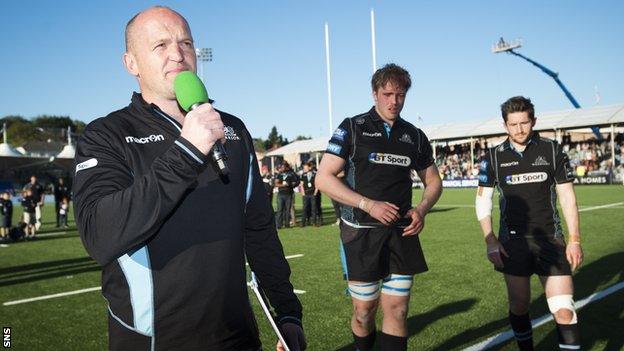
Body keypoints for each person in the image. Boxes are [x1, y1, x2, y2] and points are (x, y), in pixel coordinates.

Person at [72, 6, 305, 351]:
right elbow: (100, 235)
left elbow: (259, 230)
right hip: (154, 342)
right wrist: (188, 150)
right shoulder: (106, 134)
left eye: (186, 43)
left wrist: (287, 312)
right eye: (160, 45)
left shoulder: (232, 129)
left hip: (238, 338)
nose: (178, 55)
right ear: (131, 63)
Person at [316, 63, 442, 351]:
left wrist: (421, 209)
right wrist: (367, 204)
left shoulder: (415, 136)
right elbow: (323, 178)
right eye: (387, 94)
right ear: (374, 94)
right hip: (360, 233)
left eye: (400, 95)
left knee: (397, 310)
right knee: (364, 313)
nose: (394, 101)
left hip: (401, 233)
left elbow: (434, 182)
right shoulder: (352, 127)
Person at [476, 96, 582, 351]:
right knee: (520, 306)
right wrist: (490, 240)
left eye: (525, 123)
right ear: (505, 125)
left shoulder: (553, 150)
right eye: (513, 124)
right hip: (512, 243)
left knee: (564, 309)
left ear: (534, 121)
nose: (520, 129)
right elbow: (483, 201)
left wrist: (574, 239)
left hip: (550, 240)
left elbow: (567, 197)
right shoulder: (492, 157)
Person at [275, 162, 299, 229]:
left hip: (289, 194)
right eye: (281, 167)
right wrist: (283, 185)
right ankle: (279, 225)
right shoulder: (279, 175)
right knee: (279, 210)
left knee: (287, 210)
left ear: (286, 167)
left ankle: (287, 224)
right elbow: (276, 184)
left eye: (283, 167)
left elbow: (295, 182)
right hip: (281, 194)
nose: (282, 168)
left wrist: (291, 184)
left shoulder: (291, 174)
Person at [299, 162, 318, 227]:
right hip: (306, 194)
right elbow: (301, 184)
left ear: (310, 167)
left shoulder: (315, 174)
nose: (304, 169)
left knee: (313, 209)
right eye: (304, 168)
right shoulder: (303, 175)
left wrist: (315, 192)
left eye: (305, 168)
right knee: (304, 209)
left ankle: (314, 222)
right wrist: (303, 193)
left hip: (313, 194)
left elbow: (317, 184)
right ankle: (303, 223)